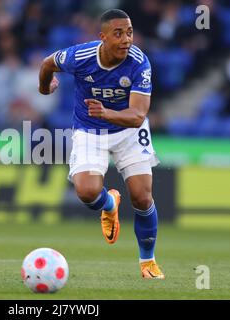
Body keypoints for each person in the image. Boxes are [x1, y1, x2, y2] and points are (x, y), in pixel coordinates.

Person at [38, 9, 164, 279]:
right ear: (102, 37)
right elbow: (47, 63)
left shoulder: (139, 63)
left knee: (142, 197)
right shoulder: (80, 56)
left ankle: (148, 261)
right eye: (118, 34)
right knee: (85, 192)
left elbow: (138, 115)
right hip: (89, 129)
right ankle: (109, 204)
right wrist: (44, 88)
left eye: (129, 32)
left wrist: (106, 113)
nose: (125, 40)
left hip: (129, 130)